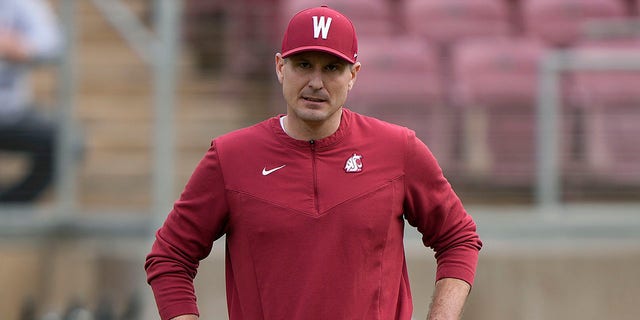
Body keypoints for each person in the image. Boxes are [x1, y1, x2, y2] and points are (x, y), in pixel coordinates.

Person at [145, 5, 482, 320]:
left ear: (353, 75)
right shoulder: (231, 157)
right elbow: (169, 256)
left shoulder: (398, 150)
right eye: (303, 64)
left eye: (332, 68)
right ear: (280, 67)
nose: (316, 83)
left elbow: (458, 238)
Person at [0, 0, 62, 202]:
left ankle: (12, 206)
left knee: (65, 140)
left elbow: (52, 41)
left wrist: (21, 46)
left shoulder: (19, 3)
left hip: (10, 112)